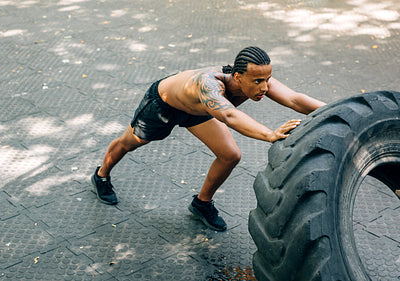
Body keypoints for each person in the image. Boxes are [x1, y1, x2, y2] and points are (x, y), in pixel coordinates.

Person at [91, 46, 326, 231]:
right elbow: (229, 115)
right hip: (163, 107)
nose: (265, 87)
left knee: (230, 155)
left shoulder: (258, 80)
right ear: (237, 77)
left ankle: (201, 204)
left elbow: (295, 99)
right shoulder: (209, 85)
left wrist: (341, 110)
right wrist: (269, 134)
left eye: (268, 79)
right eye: (257, 81)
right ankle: (101, 175)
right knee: (129, 143)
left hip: (199, 112)